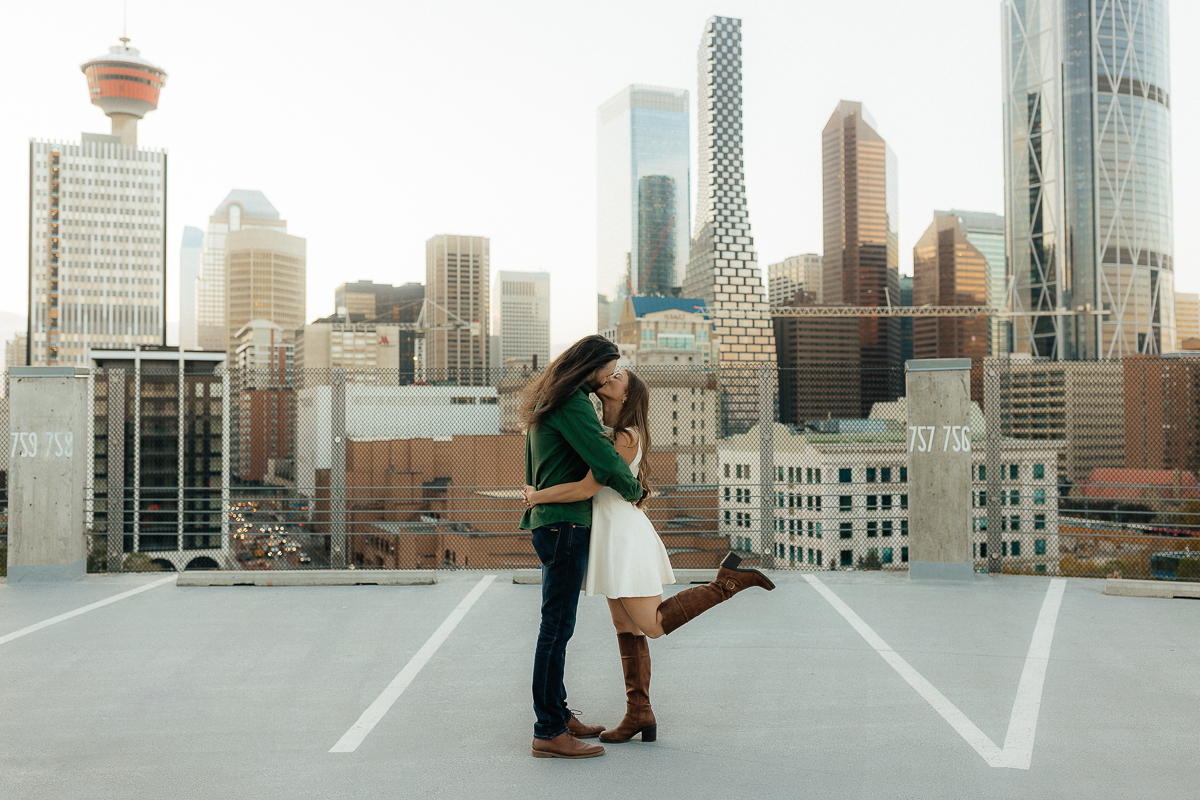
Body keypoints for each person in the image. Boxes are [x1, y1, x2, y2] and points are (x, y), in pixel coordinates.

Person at [523, 368, 774, 746]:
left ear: (626, 396)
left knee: (652, 625)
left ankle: (727, 583)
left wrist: (536, 496)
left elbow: (590, 486)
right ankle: (638, 713)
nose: (611, 376)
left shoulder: (625, 437)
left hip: (624, 538)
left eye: (619, 376)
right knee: (627, 628)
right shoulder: (606, 433)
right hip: (608, 538)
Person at [519, 335, 645, 760]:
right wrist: (634, 489)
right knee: (556, 629)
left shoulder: (550, 400)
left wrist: (535, 496)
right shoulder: (572, 403)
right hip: (566, 526)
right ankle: (549, 730)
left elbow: (538, 467)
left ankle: (558, 713)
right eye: (609, 368)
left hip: (550, 524)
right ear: (590, 365)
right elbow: (604, 461)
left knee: (556, 626)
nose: (612, 374)